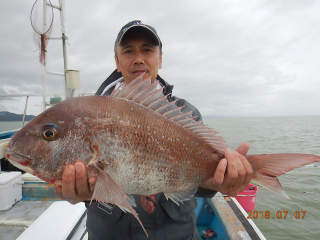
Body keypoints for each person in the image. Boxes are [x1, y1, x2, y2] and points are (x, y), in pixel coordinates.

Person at [54, 20, 253, 240]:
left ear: (160, 58)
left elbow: (198, 186)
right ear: (117, 62)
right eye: (128, 51)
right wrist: (80, 194)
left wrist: (216, 182)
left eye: (147, 50)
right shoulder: (93, 113)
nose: (138, 58)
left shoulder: (186, 113)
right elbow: (93, 179)